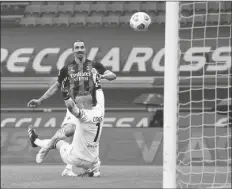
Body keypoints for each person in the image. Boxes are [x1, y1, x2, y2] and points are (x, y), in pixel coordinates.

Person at [27, 40, 116, 176]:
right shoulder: (67, 69)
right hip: (75, 106)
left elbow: (113, 75)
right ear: (73, 50)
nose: (79, 50)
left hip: (91, 107)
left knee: (80, 139)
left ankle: (70, 166)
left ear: (85, 49)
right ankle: (45, 148)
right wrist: (40, 100)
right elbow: (56, 86)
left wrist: (102, 75)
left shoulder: (94, 65)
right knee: (70, 131)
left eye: (81, 47)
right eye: (77, 48)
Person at [28, 68, 105, 177]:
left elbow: (71, 106)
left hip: (75, 159)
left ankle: (36, 141)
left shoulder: (82, 116)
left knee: (59, 142)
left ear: (81, 105)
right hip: (92, 160)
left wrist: (65, 92)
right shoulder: (101, 110)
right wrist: (97, 81)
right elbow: (100, 94)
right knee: (79, 137)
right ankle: (92, 170)